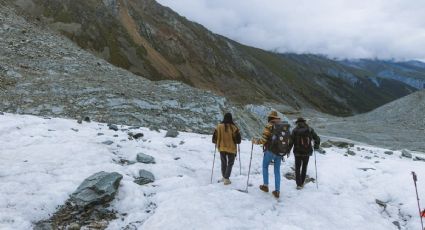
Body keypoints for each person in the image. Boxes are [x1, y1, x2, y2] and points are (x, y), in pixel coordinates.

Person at [252, 111, 287, 199]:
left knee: (265, 166)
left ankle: (265, 185)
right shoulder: (282, 126)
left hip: (270, 151)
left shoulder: (269, 126)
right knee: (277, 170)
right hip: (279, 151)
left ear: (270, 118)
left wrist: (255, 141)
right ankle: (277, 190)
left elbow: (263, 140)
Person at [291, 117, 320, 190]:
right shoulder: (310, 129)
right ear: (304, 122)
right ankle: (302, 182)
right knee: (304, 167)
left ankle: (298, 184)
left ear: (297, 123)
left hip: (297, 152)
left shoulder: (295, 130)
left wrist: (287, 150)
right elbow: (317, 138)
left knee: (297, 168)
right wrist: (316, 146)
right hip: (307, 152)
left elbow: (291, 141)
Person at [212, 113, 241, 185]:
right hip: (231, 148)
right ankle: (226, 178)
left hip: (221, 147)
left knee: (223, 162)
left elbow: (214, 139)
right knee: (230, 163)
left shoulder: (219, 126)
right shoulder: (234, 127)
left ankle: (224, 177)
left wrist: (217, 142)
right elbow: (238, 140)